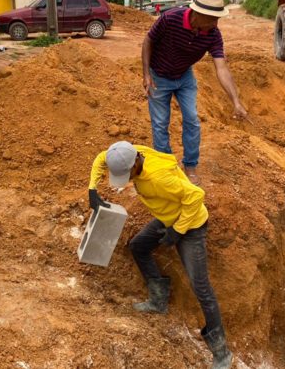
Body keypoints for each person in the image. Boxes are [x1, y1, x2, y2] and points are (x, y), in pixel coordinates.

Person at [88, 141, 232, 369]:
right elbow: (100, 157)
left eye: (127, 174)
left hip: (191, 224)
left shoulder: (159, 178)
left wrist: (177, 231)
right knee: (138, 246)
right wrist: (92, 189)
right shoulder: (126, 152)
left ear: (135, 163)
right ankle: (158, 300)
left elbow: (196, 196)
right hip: (167, 217)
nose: (126, 180)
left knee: (201, 287)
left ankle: (221, 352)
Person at [142, 0, 247, 185]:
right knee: (160, 124)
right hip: (158, 76)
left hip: (184, 77)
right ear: (198, 14)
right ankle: (167, 168)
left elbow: (221, 68)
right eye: (212, 18)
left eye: (218, 18)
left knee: (192, 120)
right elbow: (148, 41)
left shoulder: (213, 34)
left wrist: (236, 101)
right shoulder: (170, 19)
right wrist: (146, 74)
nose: (216, 23)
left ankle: (190, 165)